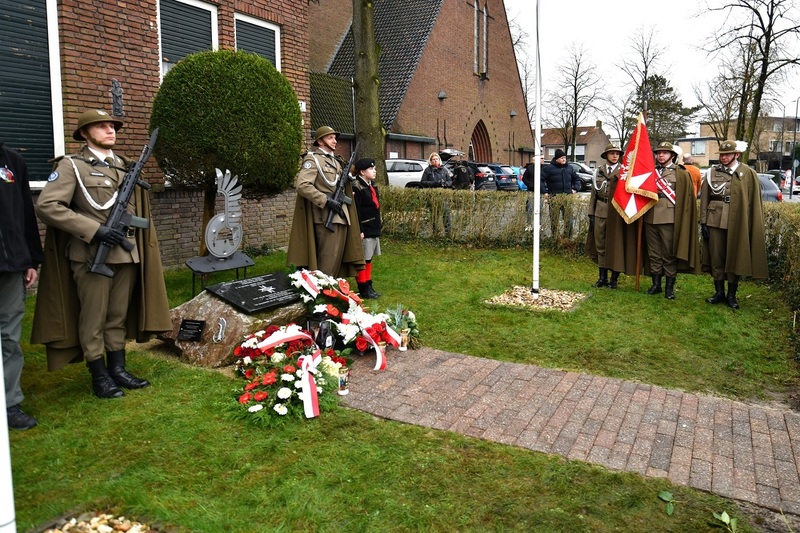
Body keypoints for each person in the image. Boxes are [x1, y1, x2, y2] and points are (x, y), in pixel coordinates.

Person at [32, 109, 171, 399]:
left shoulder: (123, 166)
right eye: (102, 126)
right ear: (85, 133)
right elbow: (48, 206)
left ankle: (118, 369)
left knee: (116, 316)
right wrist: (94, 230)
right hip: (92, 254)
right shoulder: (72, 166)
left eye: (113, 126)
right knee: (93, 318)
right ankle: (99, 375)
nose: (111, 131)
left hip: (125, 253)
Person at [0, 142, 43, 429]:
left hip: (11, 264)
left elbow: (27, 213)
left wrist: (30, 259)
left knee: (8, 336)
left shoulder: (12, 161)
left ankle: (9, 403)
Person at [286, 126, 365, 278]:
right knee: (328, 260)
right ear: (320, 141)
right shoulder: (313, 159)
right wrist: (326, 201)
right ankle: (322, 294)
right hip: (325, 215)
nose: (335, 141)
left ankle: (331, 290)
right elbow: (302, 185)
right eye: (330, 138)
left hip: (341, 215)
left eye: (335, 138)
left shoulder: (335, 161)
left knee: (337, 260)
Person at [700, 139, 768, 308]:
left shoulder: (747, 173)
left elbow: (753, 201)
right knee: (717, 256)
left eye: (727, 154)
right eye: (722, 155)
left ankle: (731, 295)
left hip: (737, 221)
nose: (724, 158)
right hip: (715, 219)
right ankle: (719, 292)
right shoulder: (712, 172)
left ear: (736, 155)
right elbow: (704, 198)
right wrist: (703, 221)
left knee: (734, 256)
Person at [642, 141, 699, 299]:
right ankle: (656, 285)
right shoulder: (651, 171)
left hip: (669, 217)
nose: (660, 155)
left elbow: (687, 198)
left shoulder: (681, 173)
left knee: (668, 253)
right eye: (659, 153)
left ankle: (669, 288)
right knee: (654, 253)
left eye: (664, 153)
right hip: (650, 215)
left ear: (672, 155)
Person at [586, 144, 623, 288]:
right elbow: (594, 194)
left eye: (617, 153)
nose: (615, 156)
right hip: (600, 210)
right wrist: (591, 212)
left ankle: (614, 278)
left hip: (617, 212)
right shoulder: (598, 172)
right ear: (606, 155)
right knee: (600, 244)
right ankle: (602, 277)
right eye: (612, 153)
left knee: (615, 245)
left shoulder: (624, 172)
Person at [352, 158, 382, 299]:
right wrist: (359, 230)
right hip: (364, 227)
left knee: (369, 259)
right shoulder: (356, 187)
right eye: (371, 169)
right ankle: (363, 287)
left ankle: (368, 284)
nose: (374, 171)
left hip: (373, 226)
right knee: (363, 259)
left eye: (374, 168)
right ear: (362, 171)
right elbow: (355, 210)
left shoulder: (371, 185)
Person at [541, 149, 581, 237]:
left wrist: (575, 189)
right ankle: (555, 237)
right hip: (554, 198)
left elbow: (577, 179)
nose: (564, 159)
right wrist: (545, 192)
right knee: (554, 219)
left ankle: (568, 237)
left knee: (568, 219)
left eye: (565, 158)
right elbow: (540, 180)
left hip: (567, 197)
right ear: (557, 159)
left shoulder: (569, 168)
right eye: (562, 158)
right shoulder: (549, 168)